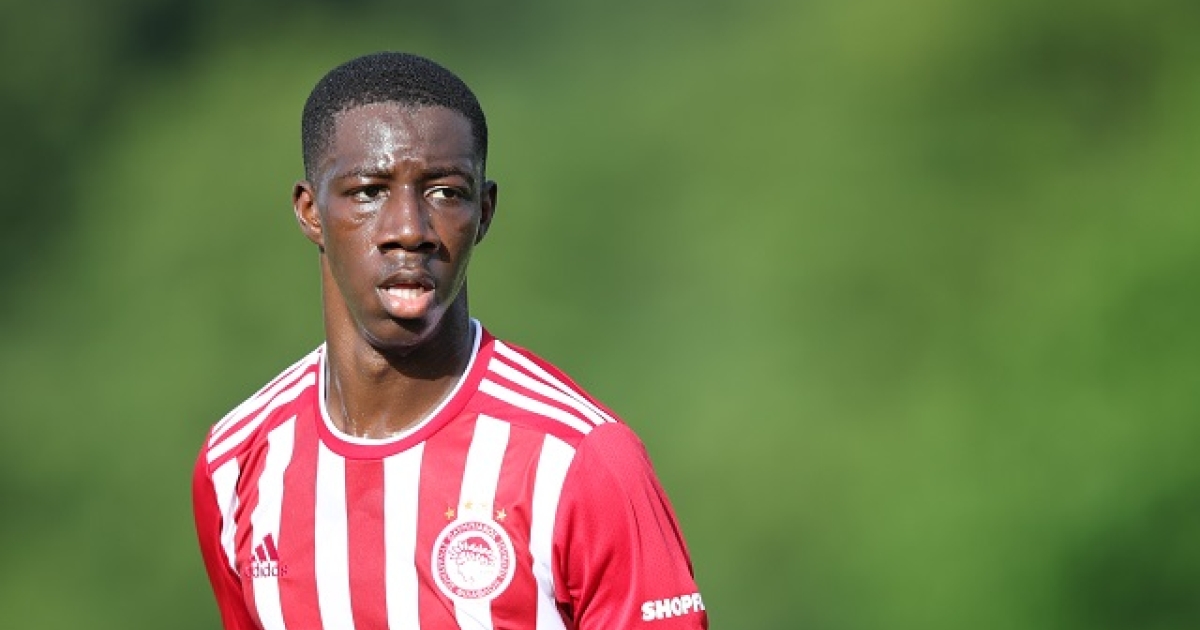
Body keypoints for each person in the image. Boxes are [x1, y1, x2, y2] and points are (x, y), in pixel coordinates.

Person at [192, 51, 707, 630]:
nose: (409, 230)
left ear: (484, 213)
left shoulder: (580, 460)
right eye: (368, 191)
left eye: (444, 193)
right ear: (311, 212)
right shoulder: (235, 463)